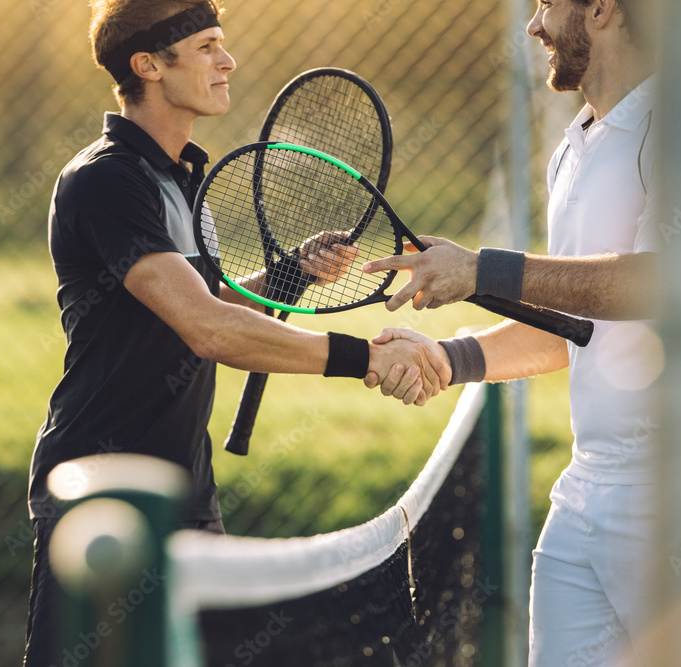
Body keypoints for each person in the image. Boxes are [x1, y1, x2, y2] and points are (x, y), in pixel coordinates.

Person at [362, 0, 681, 664]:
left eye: (545, 5)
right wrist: (451, 358)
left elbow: (662, 285)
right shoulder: (572, 150)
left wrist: (482, 269)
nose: (533, 26)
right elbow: (577, 328)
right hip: (591, 487)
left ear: (600, 9)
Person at [24, 1, 450, 664]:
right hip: (102, 491)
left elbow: (211, 295)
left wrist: (290, 274)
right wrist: (364, 358)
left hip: (187, 487)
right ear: (148, 65)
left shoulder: (182, 177)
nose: (228, 61)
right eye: (206, 47)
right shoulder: (105, 180)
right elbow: (206, 327)